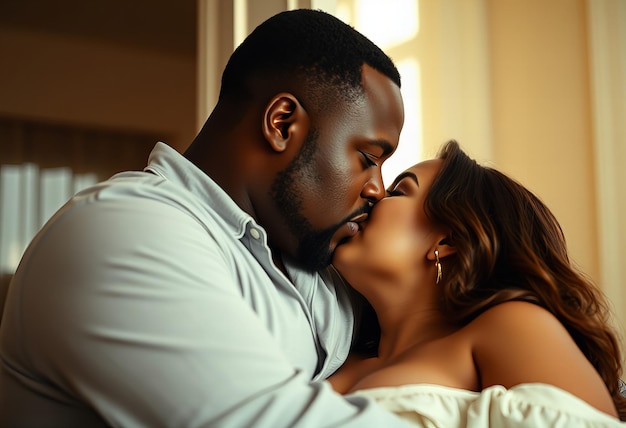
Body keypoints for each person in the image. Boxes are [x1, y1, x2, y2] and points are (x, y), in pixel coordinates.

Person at [0, 9, 412, 427]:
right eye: (368, 158)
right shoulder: (119, 230)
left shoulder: (308, 257)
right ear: (282, 123)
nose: (378, 188)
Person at [329, 140, 626, 426]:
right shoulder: (334, 354)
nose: (374, 193)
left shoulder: (511, 325)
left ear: (448, 240)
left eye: (398, 192)